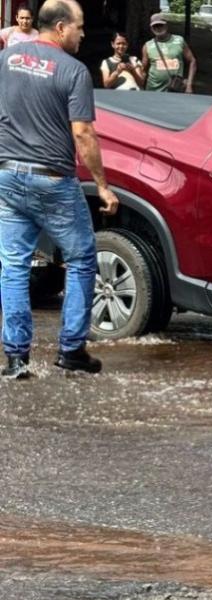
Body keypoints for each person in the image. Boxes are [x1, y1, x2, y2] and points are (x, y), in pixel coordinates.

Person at [0, 0, 119, 380]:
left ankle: (16, 359)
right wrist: (103, 186)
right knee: (83, 258)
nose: (84, 34)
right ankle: (71, 350)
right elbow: (82, 132)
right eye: (80, 27)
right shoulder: (73, 70)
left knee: (14, 265)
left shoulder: (9, 58)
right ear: (62, 27)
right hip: (53, 180)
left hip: (7, 176)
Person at [141, 13, 197, 93]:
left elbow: (192, 61)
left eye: (160, 25)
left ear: (166, 26)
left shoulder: (179, 41)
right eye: (155, 26)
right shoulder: (147, 46)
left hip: (175, 90)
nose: (158, 28)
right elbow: (143, 69)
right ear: (151, 28)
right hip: (153, 91)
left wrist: (189, 85)